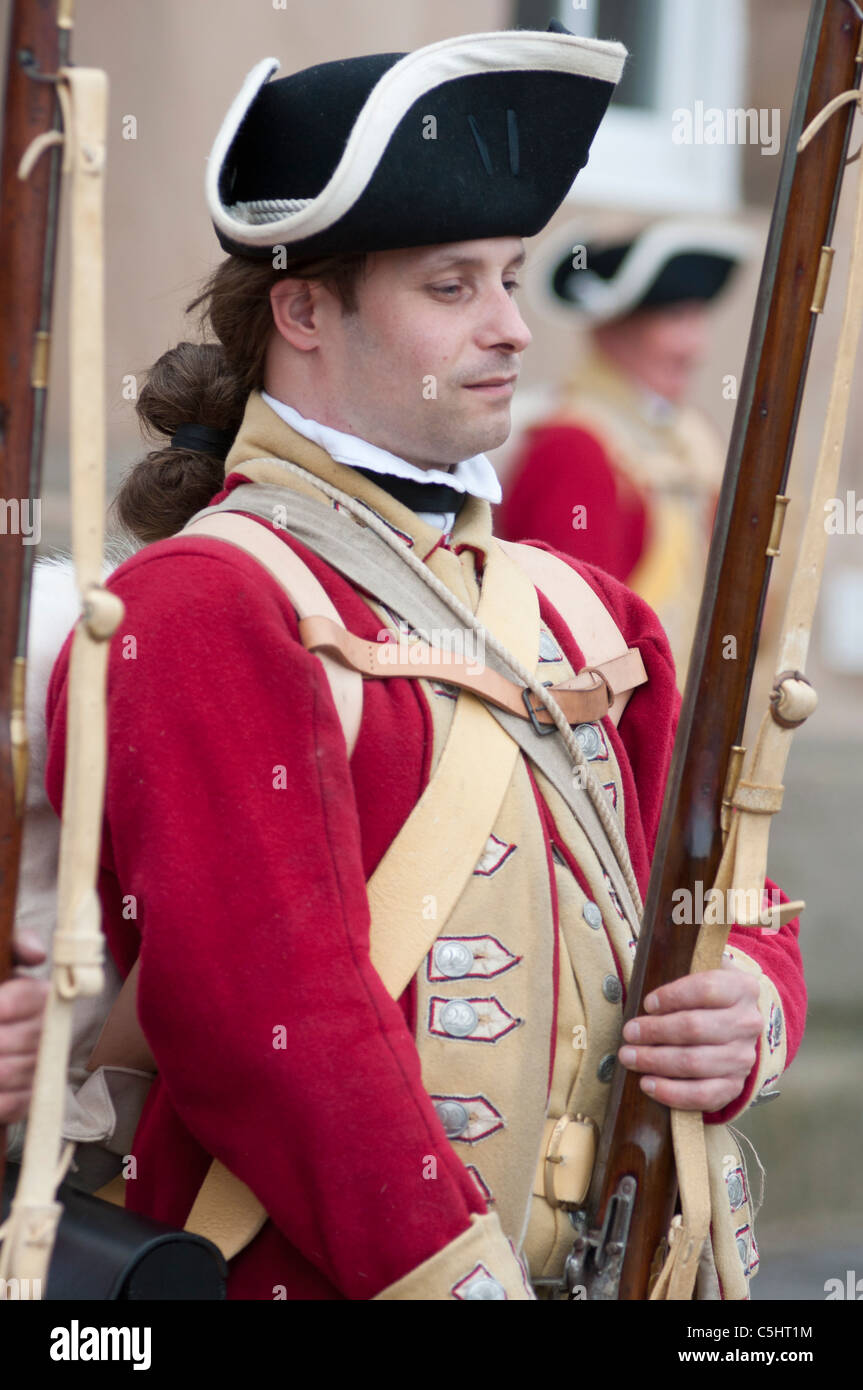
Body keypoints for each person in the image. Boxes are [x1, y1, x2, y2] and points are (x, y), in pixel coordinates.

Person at [24, 27, 803, 1301]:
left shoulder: (590, 619)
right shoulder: (203, 605)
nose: (508, 327)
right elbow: (268, 1026)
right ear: (303, 309)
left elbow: (730, 906)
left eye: (508, 277)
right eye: (451, 287)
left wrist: (745, 1019)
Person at [498, 221, 753, 682]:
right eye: (675, 320)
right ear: (610, 331)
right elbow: (574, 642)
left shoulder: (693, 443)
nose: (695, 348)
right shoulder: (572, 445)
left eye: (698, 319)